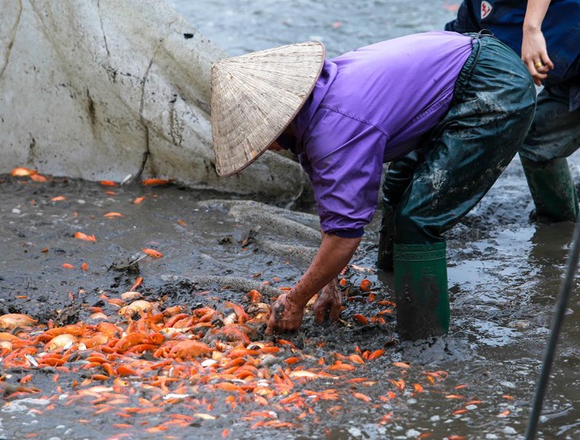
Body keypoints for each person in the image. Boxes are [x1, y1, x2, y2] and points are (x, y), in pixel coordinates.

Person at [210, 31, 536, 340]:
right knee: (397, 190)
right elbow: (334, 206)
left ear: (280, 122)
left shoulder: (335, 130)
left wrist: (294, 301)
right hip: (461, 70)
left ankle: (426, 341)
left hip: (492, 87)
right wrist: (328, 284)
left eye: (263, 139)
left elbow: (344, 235)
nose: (266, 147)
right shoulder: (320, 96)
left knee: (418, 217)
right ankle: (396, 292)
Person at [443, 0, 580, 255]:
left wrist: (531, 28)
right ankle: (559, 228)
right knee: (535, 140)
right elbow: (456, 52)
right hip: (576, 70)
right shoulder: (474, 10)